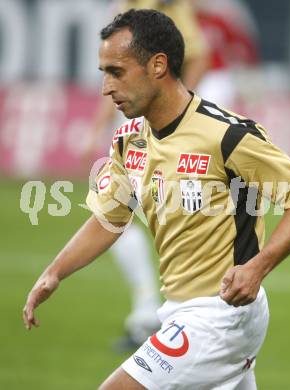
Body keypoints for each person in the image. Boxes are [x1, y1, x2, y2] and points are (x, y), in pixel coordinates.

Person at [23, 9, 290, 390]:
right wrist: (55, 272)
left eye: (116, 72)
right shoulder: (130, 138)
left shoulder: (225, 134)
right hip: (182, 311)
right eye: (103, 73)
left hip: (221, 314)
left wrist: (258, 266)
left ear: (158, 66)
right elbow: (110, 217)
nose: (106, 88)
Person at [84, 0, 210, 350]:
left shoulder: (162, 4)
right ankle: (147, 310)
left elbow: (200, 54)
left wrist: (182, 110)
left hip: (163, 117)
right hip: (140, 118)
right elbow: (116, 74)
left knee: (182, 213)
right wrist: (96, 129)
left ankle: (176, 313)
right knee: (115, 212)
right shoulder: (127, 10)